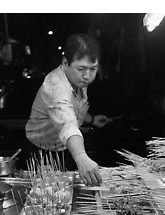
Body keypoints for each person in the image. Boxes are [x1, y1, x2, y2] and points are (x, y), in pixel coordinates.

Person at [25, 33, 112, 186]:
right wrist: (81, 156)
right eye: (82, 69)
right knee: (49, 197)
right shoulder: (55, 88)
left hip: (66, 147)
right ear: (65, 63)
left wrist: (91, 119)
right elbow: (67, 124)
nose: (87, 76)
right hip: (42, 152)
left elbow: (72, 109)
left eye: (93, 69)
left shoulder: (77, 79)